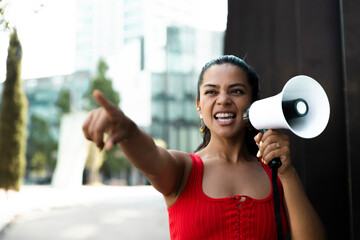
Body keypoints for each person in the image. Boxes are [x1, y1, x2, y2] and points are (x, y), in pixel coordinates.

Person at [82, 55, 326, 239]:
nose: (223, 100)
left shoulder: (276, 172)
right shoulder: (184, 170)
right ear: (199, 106)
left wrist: (287, 174)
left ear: (253, 103)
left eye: (236, 91)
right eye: (212, 92)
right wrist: (128, 130)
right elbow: (151, 156)